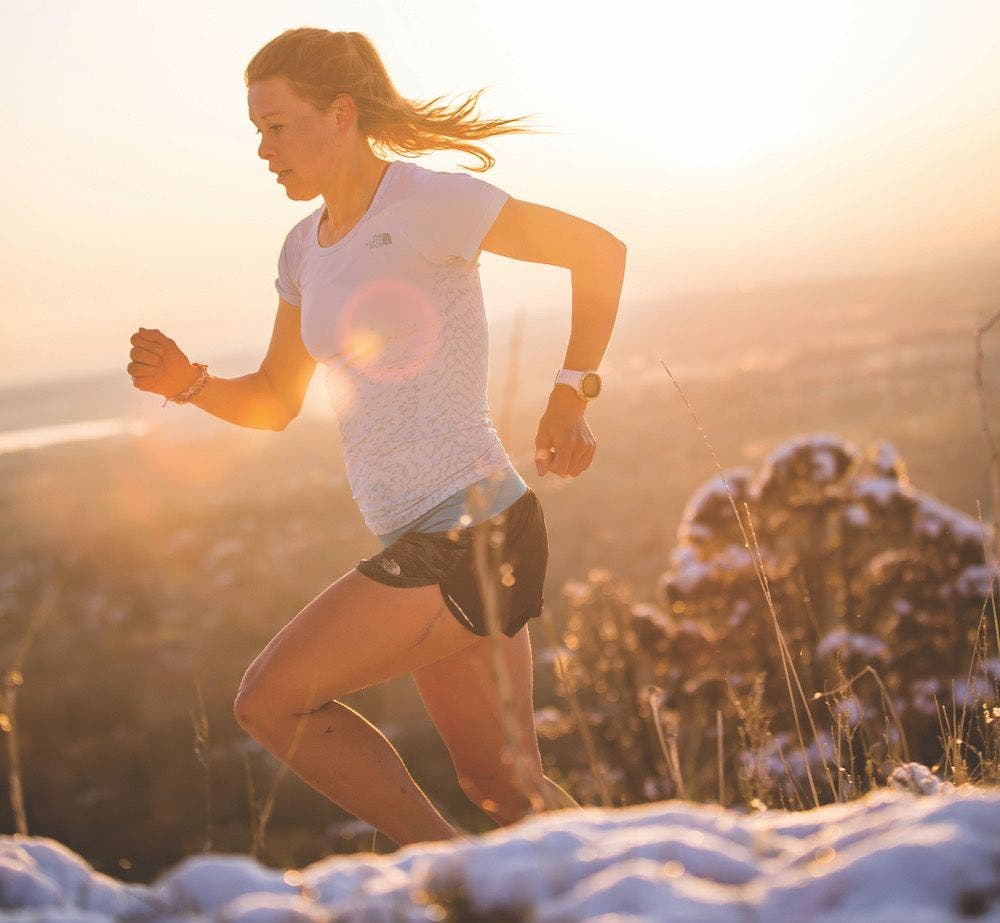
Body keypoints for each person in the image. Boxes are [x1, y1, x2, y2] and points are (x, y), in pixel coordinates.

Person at [126, 27, 626, 848]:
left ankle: (443, 873)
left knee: (269, 699)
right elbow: (276, 399)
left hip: (470, 528)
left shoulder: (428, 202)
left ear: (340, 114)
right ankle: (631, 890)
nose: (263, 149)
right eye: (256, 130)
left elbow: (598, 253)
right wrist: (188, 382)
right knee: (504, 788)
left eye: (277, 126)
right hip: (430, 535)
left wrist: (572, 392)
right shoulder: (303, 252)